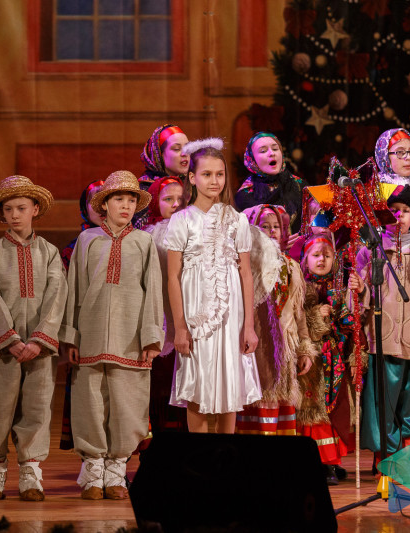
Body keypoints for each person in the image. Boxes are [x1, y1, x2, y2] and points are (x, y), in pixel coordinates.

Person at [61, 170, 164, 500]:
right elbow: (74, 289)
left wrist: (151, 338)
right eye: (119, 199)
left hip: (130, 337)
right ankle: (93, 469)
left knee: (127, 402)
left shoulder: (144, 242)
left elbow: (153, 291)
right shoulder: (88, 240)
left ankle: (117, 468)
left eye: (131, 200)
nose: (126, 205)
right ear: (104, 204)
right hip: (90, 335)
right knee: (90, 400)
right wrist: (71, 335)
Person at [348, 185, 410, 479]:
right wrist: (360, 289)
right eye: (393, 211)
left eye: (405, 211)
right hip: (383, 341)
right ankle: (386, 462)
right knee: (383, 405)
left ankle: (403, 461)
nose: (399, 216)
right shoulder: (370, 251)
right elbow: (359, 303)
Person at [0, 176, 66, 502]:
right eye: (9, 209)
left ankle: (31, 473)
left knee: (37, 408)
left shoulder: (50, 252)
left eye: (22, 208)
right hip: (2, 348)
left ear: (35, 209)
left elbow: (57, 296)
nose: (15, 214)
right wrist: (10, 339)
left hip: (39, 348)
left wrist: (39, 339)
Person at [166, 138, 261, 434]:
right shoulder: (182, 221)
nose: (214, 181)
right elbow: (173, 277)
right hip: (196, 316)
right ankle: (200, 455)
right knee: (198, 383)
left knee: (229, 384)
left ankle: (225, 453)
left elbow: (246, 275)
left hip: (231, 318)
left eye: (219, 174)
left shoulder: (237, 220)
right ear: (192, 178)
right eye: (206, 174)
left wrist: (248, 326)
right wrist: (180, 327)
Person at [236, 205, 316, 438]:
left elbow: (298, 312)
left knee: (282, 414)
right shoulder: (246, 266)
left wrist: (304, 348)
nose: (271, 231)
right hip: (256, 350)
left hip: (285, 354)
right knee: (258, 408)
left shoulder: (291, 266)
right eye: (264, 226)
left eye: (276, 227)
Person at [297, 233, 355, 485]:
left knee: (335, 409)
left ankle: (333, 459)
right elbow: (297, 322)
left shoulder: (339, 289)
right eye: (316, 255)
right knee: (314, 411)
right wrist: (314, 315)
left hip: (334, 361)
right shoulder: (301, 288)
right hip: (312, 360)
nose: (322, 260)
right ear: (306, 259)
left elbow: (349, 324)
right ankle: (319, 461)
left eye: (327, 255)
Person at [59, 179, 104, 451]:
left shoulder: (133, 242)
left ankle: (117, 461)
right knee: (87, 396)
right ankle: (91, 458)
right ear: (84, 207)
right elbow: (67, 298)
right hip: (85, 338)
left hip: (119, 337)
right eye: (93, 201)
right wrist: (69, 338)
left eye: (105, 199)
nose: (100, 207)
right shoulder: (73, 248)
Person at [143, 176, 188, 434]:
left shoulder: (194, 231)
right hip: (160, 316)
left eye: (180, 199)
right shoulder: (149, 237)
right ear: (155, 203)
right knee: (160, 384)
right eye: (168, 199)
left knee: (185, 384)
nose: (175, 204)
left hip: (188, 315)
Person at [234, 132, 305, 235]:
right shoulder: (245, 194)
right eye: (263, 151)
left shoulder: (299, 185)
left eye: (275, 149)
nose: (272, 153)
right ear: (252, 159)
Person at [135, 124, 190, 228]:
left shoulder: (191, 186)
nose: (185, 153)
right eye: (177, 149)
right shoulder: (144, 192)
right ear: (159, 154)